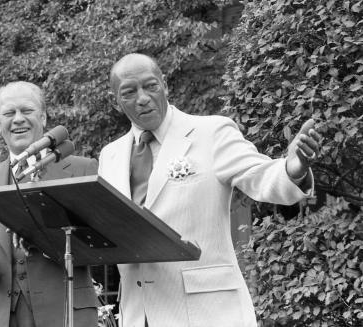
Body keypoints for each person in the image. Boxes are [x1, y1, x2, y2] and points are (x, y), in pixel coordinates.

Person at [98, 53, 322, 327]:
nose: (143, 97)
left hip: (207, 312)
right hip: (138, 315)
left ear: (165, 85)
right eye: (129, 92)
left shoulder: (211, 132)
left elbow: (260, 176)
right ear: (116, 101)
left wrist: (293, 167)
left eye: (151, 86)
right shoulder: (109, 156)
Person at [0, 81, 99, 327]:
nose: (18, 119)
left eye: (27, 111)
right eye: (9, 113)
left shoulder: (82, 169)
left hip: (66, 313)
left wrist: (45, 238)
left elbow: (99, 242)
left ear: (43, 117)